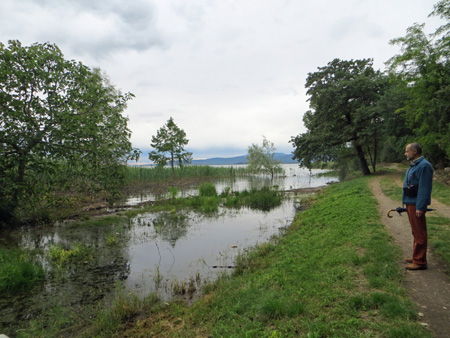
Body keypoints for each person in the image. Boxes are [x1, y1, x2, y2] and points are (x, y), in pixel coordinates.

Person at [402, 142, 434, 270]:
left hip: (416, 204)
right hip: (411, 202)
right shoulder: (415, 165)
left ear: (414, 151)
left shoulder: (424, 166)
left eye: (407, 151)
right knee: (415, 231)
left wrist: (421, 207)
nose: (405, 154)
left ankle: (420, 261)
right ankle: (416, 256)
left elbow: (424, 189)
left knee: (419, 232)